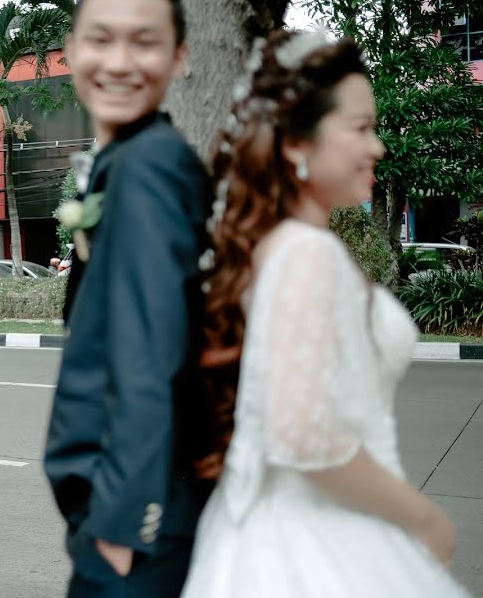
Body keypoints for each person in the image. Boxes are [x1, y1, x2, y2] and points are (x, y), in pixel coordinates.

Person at [181, 30, 469, 597]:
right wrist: (422, 517)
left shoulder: (282, 246)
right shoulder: (305, 254)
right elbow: (305, 438)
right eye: (361, 128)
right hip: (316, 547)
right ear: (295, 143)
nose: (378, 147)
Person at [43, 0, 213, 595]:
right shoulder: (130, 159)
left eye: (144, 42)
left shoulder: (148, 169)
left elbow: (150, 360)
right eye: (101, 39)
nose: (119, 62)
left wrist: (120, 532)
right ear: (72, 48)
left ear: (179, 56)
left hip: (133, 536)